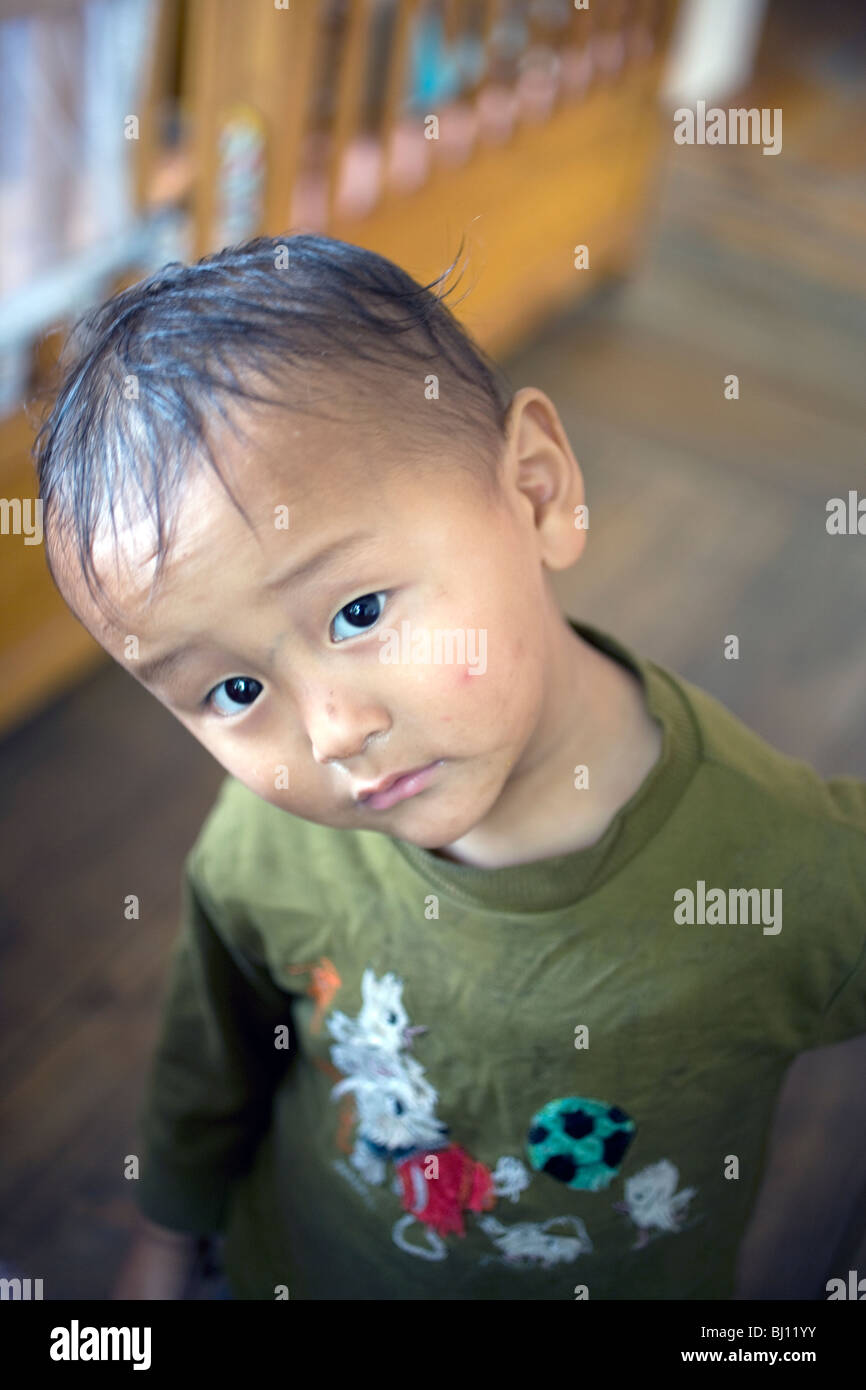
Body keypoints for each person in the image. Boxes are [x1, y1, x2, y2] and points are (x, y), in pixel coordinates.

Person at [34, 234, 866, 1301]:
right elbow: (216, 1060)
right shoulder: (263, 846)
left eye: (358, 611)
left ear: (533, 491)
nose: (331, 731)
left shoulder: (789, 873)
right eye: (233, 691)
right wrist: (164, 1240)